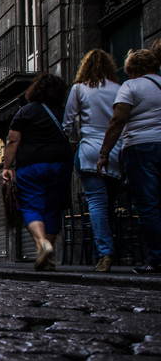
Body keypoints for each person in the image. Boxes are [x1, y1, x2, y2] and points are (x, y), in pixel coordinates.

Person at [98, 46, 161, 274]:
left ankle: (157, 259)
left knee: (148, 205)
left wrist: (104, 154)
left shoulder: (131, 86)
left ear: (132, 69)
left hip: (140, 148)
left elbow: (117, 121)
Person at [3, 74, 72, 272]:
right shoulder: (63, 111)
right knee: (52, 208)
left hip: (31, 164)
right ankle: (47, 260)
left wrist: (7, 167)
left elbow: (13, 140)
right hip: (61, 163)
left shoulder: (25, 112)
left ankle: (43, 244)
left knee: (31, 206)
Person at [63, 50, 122, 272]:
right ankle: (101, 253)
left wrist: (70, 145)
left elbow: (67, 123)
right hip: (115, 151)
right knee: (109, 204)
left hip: (89, 151)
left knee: (96, 203)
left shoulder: (79, 89)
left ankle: (105, 253)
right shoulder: (119, 89)